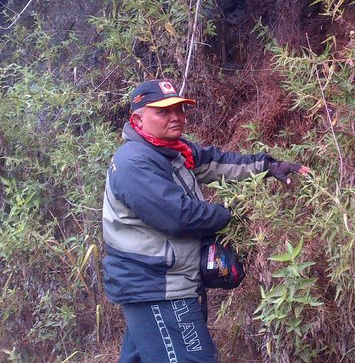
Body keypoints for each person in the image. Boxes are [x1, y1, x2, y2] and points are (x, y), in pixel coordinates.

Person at [102, 79, 309, 363]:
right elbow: (179, 216)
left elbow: (215, 163)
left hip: (157, 285)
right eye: (163, 112)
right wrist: (230, 214)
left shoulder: (171, 150)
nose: (175, 117)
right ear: (137, 118)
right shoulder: (134, 162)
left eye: (179, 109)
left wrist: (266, 166)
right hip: (158, 287)